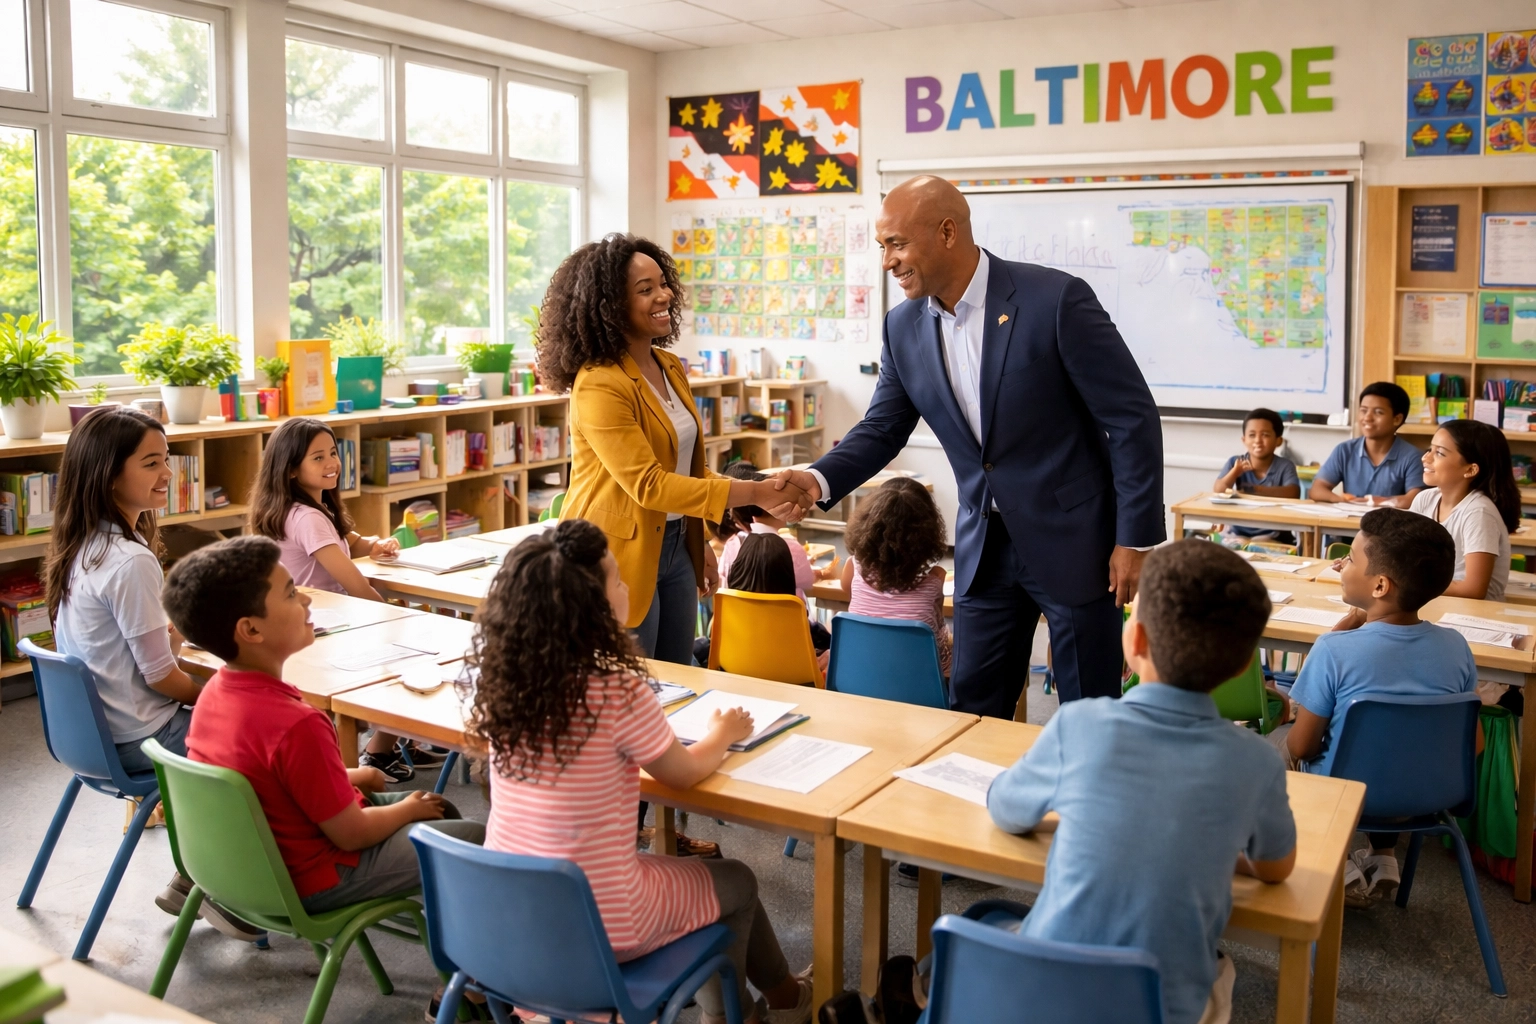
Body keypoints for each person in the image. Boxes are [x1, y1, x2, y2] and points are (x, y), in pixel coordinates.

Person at [774, 176, 1164, 715]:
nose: (887, 261)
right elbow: (884, 426)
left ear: (948, 232)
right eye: (882, 246)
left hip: (1077, 544)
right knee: (973, 713)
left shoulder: (1055, 299)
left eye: (897, 243)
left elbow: (1130, 417)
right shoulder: (903, 325)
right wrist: (817, 479)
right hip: (984, 547)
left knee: (1088, 712)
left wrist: (1135, 539)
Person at [466, 519, 812, 1024]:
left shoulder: (507, 685)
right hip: (600, 920)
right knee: (735, 879)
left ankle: (782, 998)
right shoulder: (616, 691)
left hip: (515, 917)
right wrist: (722, 732)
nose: (626, 583)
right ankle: (738, 1016)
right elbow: (683, 773)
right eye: (616, 579)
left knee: (712, 882)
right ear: (592, 609)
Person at [539, 234, 808, 857]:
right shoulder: (599, 382)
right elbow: (648, 483)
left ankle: (661, 829)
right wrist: (759, 492)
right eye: (645, 288)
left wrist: (706, 540)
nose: (663, 296)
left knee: (673, 695)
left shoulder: (670, 367)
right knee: (625, 698)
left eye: (663, 283)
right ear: (609, 303)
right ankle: (618, 842)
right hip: (611, 558)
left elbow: (690, 466)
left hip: (673, 551)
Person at [987, 540, 1296, 1024]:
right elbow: (1276, 868)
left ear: (1135, 642)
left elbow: (1007, 810)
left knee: (986, 920)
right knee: (1223, 971)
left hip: (1044, 991)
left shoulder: (1078, 724)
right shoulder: (1257, 761)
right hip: (1163, 1008)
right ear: (1243, 668)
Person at [168, 536, 484, 997]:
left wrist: (352, 777)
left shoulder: (215, 694)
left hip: (244, 871)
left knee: (436, 811)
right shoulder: (296, 724)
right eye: (292, 593)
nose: (307, 597)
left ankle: (458, 953)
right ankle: (465, 986)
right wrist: (406, 809)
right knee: (470, 836)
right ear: (251, 630)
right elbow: (351, 834)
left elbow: (264, 785)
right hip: (314, 876)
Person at [42, 407, 258, 938]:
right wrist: (218, 691)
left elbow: (138, 647)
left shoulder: (83, 545)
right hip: (139, 737)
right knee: (263, 736)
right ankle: (233, 892)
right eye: (152, 463)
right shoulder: (129, 559)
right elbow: (163, 679)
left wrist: (178, 634)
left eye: (168, 459)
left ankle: (193, 878)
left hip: (88, 741)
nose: (169, 474)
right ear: (109, 473)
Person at [1277, 508, 1473, 904]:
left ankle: (1336, 859)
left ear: (1380, 585)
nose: (1342, 565)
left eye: (1350, 558)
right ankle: (1384, 858)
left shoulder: (1334, 649)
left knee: (1276, 748)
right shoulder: (1458, 648)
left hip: (1349, 794)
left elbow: (1302, 748)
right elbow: (1475, 746)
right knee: (1394, 746)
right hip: (1428, 795)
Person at [249, 417, 427, 783]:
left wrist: (374, 544)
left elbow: (348, 542)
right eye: (318, 458)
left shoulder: (307, 509)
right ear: (292, 470)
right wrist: (391, 615)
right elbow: (354, 583)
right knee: (414, 644)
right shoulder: (307, 517)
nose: (332, 463)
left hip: (319, 620)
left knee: (407, 633)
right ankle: (380, 749)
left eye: (333, 452)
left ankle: (403, 735)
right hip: (329, 627)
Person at [841, 477, 951, 676]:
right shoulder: (937, 578)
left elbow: (848, 594)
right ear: (927, 532)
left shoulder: (853, 566)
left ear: (868, 524)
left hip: (861, 675)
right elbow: (938, 623)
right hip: (922, 684)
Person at [1409, 419, 1519, 600]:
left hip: (1473, 615)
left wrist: (1407, 582)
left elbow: (1473, 590)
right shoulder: (1425, 499)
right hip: (1435, 602)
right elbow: (1400, 551)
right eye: (1430, 449)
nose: (1425, 457)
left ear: (1470, 469)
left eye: (1439, 453)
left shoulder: (1478, 512)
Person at [693, 532, 831, 673]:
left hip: (735, 678)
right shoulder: (794, 611)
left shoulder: (727, 604)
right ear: (787, 573)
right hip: (794, 683)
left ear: (738, 568)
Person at [716, 463, 833, 599]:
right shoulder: (791, 547)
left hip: (742, 619)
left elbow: (724, 575)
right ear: (774, 508)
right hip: (785, 619)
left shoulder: (732, 545)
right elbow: (807, 581)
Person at [1309, 383, 1425, 507]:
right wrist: (1342, 500)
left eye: (1378, 412)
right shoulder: (1344, 450)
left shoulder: (1414, 457)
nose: (1367, 418)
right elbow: (1317, 490)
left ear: (1397, 419)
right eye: (1363, 410)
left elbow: (1415, 499)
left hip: (1392, 524)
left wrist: (1374, 502)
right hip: (1349, 521)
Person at [1212, 408, 1301, 548]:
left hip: (1272, 533)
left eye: (1265, 435)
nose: (1258, 441)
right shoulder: (1235, 462)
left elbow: (1293, 493)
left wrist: (1254, 490)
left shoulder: (1285, 465)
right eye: (1252, 435)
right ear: (1244, 440)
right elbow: (1218, 490)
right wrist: (1235, 472)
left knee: (1262, 548)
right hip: (1238, 531)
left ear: (1278, 441)